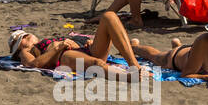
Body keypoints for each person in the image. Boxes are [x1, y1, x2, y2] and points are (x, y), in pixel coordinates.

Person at [8, 12, 146, 78]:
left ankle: (135, 66)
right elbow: (33, 65)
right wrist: (58, 47)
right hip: (63, 57)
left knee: (109, 16)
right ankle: (129, 77)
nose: (28, 36)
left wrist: (85, 43)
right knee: (97, 63)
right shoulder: (24, 51)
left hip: (83, 49)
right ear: (19, 46)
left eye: (26, 34)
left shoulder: (37, 43)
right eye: (23, 38)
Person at [128, 11, 208, 80]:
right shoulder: (203, 41)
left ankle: (177, 45)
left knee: (185, 52)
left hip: (192, 53)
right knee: (155, 57)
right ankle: (134, 47)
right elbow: (186, 75)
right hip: (176, 59)